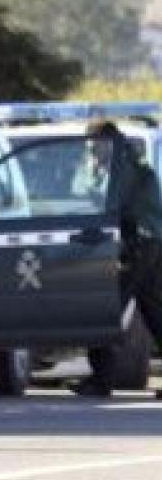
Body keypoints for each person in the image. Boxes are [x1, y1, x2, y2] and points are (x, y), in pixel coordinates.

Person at [73, 121, 162, 397]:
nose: (90, 152)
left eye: (94, 147)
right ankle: (101, 379)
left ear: (107, 143)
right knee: (154, 311)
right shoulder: (125, 162)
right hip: (147, 243)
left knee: (106, 307)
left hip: (135, 245)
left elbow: (103, 201)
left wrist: (91, 175)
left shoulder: (122, 167)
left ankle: (101, 380)